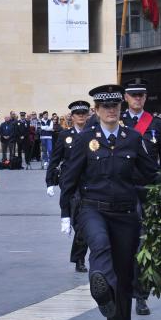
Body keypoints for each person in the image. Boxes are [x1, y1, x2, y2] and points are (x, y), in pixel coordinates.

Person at [60, 84, 159, 320]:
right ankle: (101, 288)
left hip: (126, 215)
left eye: (115, 105)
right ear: (97, 111)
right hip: (93, 209)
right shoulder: (85, 139)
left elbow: (152, 173)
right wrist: (66, 213)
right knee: (100, 245)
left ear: (120, 107)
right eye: (105, 107)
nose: (111, 110)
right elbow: (69, 176)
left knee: (125, 285)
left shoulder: (133, 138)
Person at [121, 78, 161, 316]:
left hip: (150, 188)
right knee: (125, 241)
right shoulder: (117, 122)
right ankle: (122, 287)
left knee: (145, 243)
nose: (137, 99)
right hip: (124, 188)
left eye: (141, 95)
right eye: (133, 95)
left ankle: (141, 295)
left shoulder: (158, 124)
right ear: (126, 98)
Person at [46, 100, 91, 272]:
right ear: (71, 117)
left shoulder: (92, 134)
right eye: (77, 114)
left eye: (83, 113)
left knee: (83, 225)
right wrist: (49, 182)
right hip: (70, 185)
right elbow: (55, 159)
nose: (80, 116)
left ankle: (79, 259)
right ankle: (79, 256)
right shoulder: (65, 135)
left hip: (88, 183)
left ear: (87, 115)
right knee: (77, 223)